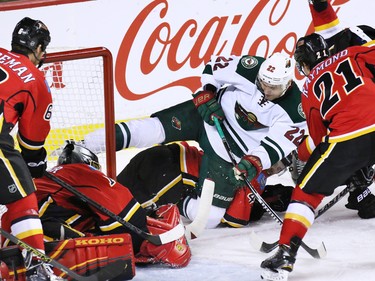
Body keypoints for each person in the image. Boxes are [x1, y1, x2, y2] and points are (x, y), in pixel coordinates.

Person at [84, 52, 306, 228]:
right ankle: (84, 146)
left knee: (208, 219)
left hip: (231, 152)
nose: (265, 90)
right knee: (150, 129)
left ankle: (175, 197)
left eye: (273, 87)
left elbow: (277, 145)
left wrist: (253, 161)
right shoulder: (250, 67)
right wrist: (207, 92)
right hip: (207, 116)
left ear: (287, 84)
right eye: (263, 83)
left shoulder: (296, 110)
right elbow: (214, 66)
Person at [260, 33, 375, 281]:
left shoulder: (310, 88)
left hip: (347, 139)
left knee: (306, 192)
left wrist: (295, 155)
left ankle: (285, 255)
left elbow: (319, 139)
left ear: (303, 64)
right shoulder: (352, 53)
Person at [30, 142, 191, 271]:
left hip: (22, 226)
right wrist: (142, 240)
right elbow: (122, 210)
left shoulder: (51, 178)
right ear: (88, 163)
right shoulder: (81, 171)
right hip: (40, 223)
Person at [0, 17, 65, 281]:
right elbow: (32, 143)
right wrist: (35, 165)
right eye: (43, 48)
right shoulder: (36, 79)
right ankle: (38, 267)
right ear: (38, 48)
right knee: (23, 194)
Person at [117, 141, 294, 228]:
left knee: (114, 200)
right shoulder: (255, 171)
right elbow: (235, 219)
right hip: (166, 174)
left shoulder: (248, 148)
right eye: (279, 166)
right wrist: (262, 204)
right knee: (208, 218)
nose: (275, 171)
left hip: (160, 155)